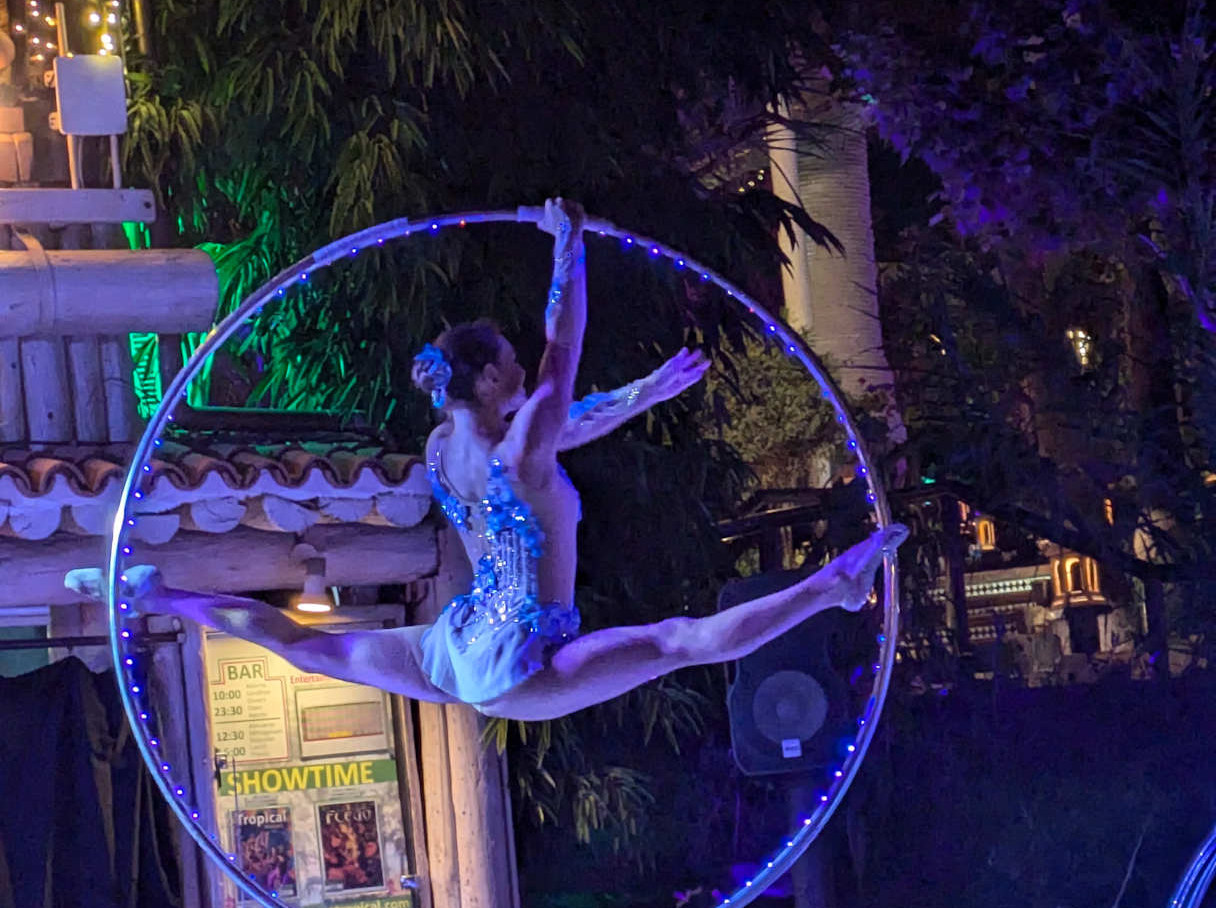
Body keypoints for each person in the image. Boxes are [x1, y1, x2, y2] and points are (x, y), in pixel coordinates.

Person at [69, 199, 905, 720]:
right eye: (511, 361)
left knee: (306, 645)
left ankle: (159, 592)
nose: (523, 370)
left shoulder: (446, 448)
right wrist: (567, 242)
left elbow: (567, 420)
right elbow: (562, 355)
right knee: (679, 641)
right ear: (498, 379)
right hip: (517, 661)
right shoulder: (523, 442)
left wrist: (645, 393)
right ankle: (831, 587)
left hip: (457, 646)